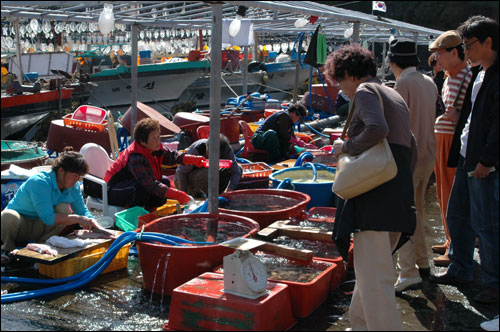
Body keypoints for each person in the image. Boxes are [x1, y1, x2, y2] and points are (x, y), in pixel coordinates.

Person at [326, 44, 416, 331]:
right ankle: (360, 325)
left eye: (340, 79)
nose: (341, 87)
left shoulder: (365, 92)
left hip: (375, 197)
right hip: (396, 191)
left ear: (351, 74)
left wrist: (345, 146)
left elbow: (377, 129)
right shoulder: (392, 93)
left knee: (376, 280)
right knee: (370, 273)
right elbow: (410, 144)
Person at [430, 16, 499, 305]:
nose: (466, 50)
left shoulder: (494, 75)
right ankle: (461, 267)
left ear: (488, 42)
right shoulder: (480, 73)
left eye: (469, 45)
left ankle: (494, 283)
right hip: (465, 155)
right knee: (457, 214)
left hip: (483, 162)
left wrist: (487, 159)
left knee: (487, 224)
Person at [387, 38, 438, 292]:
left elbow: (397, 127)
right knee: (417, 209)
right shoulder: (428, 81)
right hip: (429, 154)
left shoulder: (403, 84)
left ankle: (408, 271)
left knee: (403, 214)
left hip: (410, 157)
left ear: (392, 61)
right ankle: (422, 262)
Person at [1, 148, 103, 262]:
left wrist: (94, 224)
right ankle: (7, 249)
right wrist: (78, 219)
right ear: (61, 171)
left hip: (38, 227)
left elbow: (82, 210)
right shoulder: (40, 182)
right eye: (74, 175)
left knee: (63, 208)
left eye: (79, 176)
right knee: (8, 216)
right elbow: (48, 217)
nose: (76, 179)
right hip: (20, 226)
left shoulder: (73, 186)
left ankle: (43, 244)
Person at [428, 30, 474, 267]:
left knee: (452, 193)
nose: (437, 59)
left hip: (452, 139)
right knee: (443, 191)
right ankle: (450, 239)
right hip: (442, 136)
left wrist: (456, 117)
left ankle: (454, 242)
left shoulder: (467, 75)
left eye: (440, 54)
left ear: (454, 52)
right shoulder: (449, 77)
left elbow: (468, 114)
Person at [104, 118, 205, 208]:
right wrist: (178, 195)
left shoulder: (154, 148)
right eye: (154, 138)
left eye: (158, 137)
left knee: (164, 181)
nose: (158, 141)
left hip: (132, 185)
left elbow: (173, 157)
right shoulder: (136, 157)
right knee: (141, 189)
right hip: (113, 190)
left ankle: (150, 211)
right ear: (143, 141)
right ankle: (134, 215)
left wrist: (194, 159)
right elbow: (150, 184)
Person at [175, 134, 242, 198]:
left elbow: (236, 171)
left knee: (239, 168)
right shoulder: (196, 150)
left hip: (206, 174)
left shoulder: (227, 150)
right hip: (185, 179)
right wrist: (184, 195)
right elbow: (181, 172)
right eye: (209, 153)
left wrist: (229, 190)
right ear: (207, 148)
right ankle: (198, 193)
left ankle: (219, 193)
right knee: (213, 171)